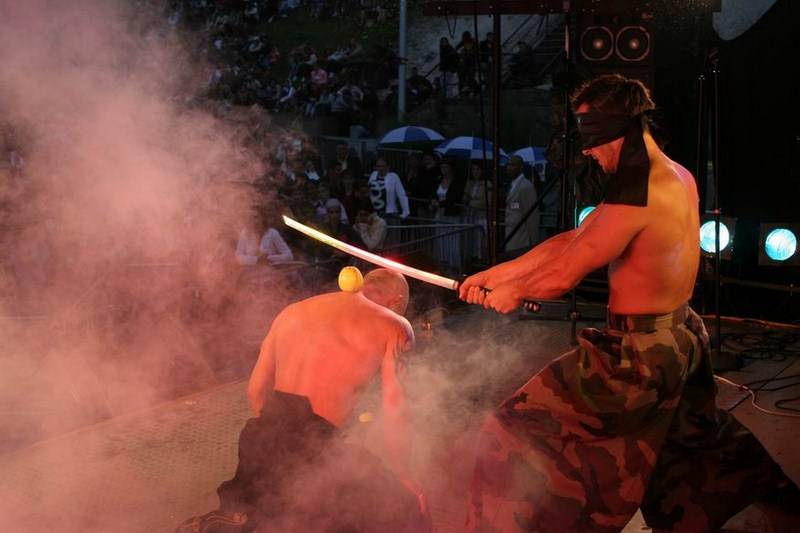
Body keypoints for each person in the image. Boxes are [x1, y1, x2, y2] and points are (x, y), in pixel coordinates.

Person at [459, 74, 800, 532]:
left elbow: (564, 274)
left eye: (589, 135)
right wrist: (498, 274)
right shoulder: (673, 175)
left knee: (514, 428)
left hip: (639, 355)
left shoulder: (637, 194)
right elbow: (578, 236)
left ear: (615, 129)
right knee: (697, 450)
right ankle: (783, 511)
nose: (586, 151)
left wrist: (515, 293)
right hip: (679, 338)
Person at [178, 269, 430, 533]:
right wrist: (405, 474)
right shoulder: (394, 325)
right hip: (316, 448)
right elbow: (396, 411)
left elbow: (256, 391)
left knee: (254, 515)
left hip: (261, 436)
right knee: (400, 507)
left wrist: (280, 439)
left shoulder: (291, 313)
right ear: (395, 301)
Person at [504, 154, 539, 254]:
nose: (509, 168)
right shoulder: (513, 185)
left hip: (522, 238)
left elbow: (532, 215)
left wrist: (534, 240)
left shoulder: (526, 187)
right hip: (512, 235)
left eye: (513, 165)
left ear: (520, 167)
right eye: (508, 165)